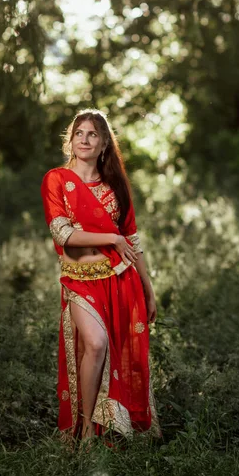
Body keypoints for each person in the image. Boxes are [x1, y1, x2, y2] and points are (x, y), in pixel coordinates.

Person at [41, 108, 161, 443]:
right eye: (79, 132)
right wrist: (112, 238)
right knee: (96, 342)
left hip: (121, 280)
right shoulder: (57, 180)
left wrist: (148, 290)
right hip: (79, 279)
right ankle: (82, 430)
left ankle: (95, 431)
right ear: (71, 139)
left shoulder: (116, 186)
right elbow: (63, 234)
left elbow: (132, 241)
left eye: (93, 134)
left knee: (105, 352)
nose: (85, 139)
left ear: (104, 142)